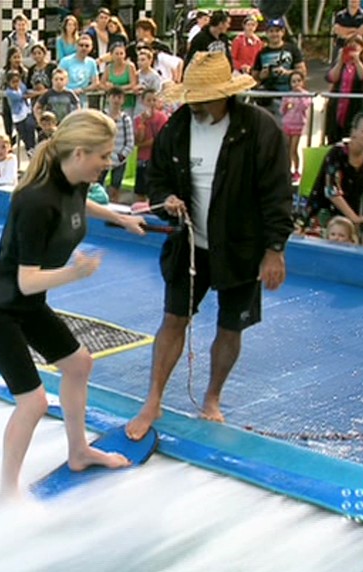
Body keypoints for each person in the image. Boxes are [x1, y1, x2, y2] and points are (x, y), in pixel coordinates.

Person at [0, 109, 148, 498]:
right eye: (104, 155)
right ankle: (7, 493)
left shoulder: (75, 180)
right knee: (33, 402)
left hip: (27, 304)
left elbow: (78, 206)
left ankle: (79, 451)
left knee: (79, 364)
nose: (109, 163)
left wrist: (121, 218)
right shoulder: (36, 201)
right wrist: (75, 273)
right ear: (80, 153)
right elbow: (27, 280)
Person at [124, 52, 292, 441]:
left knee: (231, 325)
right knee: (173, 318)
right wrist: (166, 198)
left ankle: (212, 397)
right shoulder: (178, 126)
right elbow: (157, 177)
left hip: (241, 244)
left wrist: (275, 249)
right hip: (189, 244)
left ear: (224, 95)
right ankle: (153, 399)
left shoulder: (259, 129)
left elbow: (277, 193)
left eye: (201, 99)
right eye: (191, 98)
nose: (194, 105)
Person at [306, 112, 363, 228]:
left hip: (351, 213)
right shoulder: (337, 153)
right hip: (323, 214)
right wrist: (355, 219)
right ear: (353, 132)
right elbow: (332, 192)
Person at [323, 35, 363, 145]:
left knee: (354, 136)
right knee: (334, 138)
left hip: (357, 104)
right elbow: (331, 78)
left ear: (362, 48)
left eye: (356, 46)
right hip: (338, 105)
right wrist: (340, 61)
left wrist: (357, 61)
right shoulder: (340, 63)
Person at [252, 19, 306, 120]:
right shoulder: (261, 53)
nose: (274, 34)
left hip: (289, 96)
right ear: (267, 33)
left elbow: (302, 72)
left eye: (277, 31)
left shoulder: (292, 49)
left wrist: (287, 73)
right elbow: (254, 78)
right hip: (268, 97)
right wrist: (261, 76)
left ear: (283, 32)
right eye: (271, 31)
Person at [100, 86, 135, 202]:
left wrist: (121, 156)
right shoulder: (101, 117)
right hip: (102, 158)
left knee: (115, 189)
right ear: (108, 98)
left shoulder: (126, 119)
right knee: (97, 187)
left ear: (123, 100)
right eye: (113, 97)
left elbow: (130, 142)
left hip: (120, 161)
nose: (116, 100)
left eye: (119, 97)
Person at [133, 89, 169, 198]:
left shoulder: (162, 117)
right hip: (142, 158)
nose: (151, 103)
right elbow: (138, 139)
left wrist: (142, 144)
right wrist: (143, 123)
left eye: (154, 100)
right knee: (140, 191)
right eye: (148, 100)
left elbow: (160, 139)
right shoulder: (138, 119)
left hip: (156, 158)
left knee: (154, 191)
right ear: (143, 102)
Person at [0, 47, 29, 145]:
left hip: (21, 105)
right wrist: (9, 94)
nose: (17, 60)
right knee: (8, 130)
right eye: (15, 57)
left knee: (22, 128)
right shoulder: (3, 72)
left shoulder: (24, 72)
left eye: (19, 57)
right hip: (7, 105)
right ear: (9, 58)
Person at [280, 71, 311, 180]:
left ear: (302, 82)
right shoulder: (287, 95)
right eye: (293, 81)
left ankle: (297, 170)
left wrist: (300, 95)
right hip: (287, 124)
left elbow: (305, 106)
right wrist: (286, 105)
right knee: (286, 148)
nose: (296, 83)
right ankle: (287, 169)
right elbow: (281, 111)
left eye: (298, 81)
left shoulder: (306, 94)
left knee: (293, 149)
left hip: (298, 125)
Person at [59, 35, 100, 108]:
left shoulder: (92, 62)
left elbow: (96, 83)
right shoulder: (65, 61)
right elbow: (58, 79)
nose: (84, 48)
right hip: (65, 98)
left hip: (83, 99)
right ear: (76, 46)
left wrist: (83, 90)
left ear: (91, 48)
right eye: (81, 45)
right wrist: (71, 92)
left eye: (87, 46)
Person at [101, 43, 138, 117]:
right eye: (117, 54)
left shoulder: (130, 66)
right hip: (111, 102)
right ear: (111, 55)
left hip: (127, 102)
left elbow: (133, 84)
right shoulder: (108, 68)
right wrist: (107, 86)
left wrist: (116, 88)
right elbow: (102, 83)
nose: (119, 56)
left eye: (121, 53)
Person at [4, 71, 37, 156]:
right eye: (13, 82)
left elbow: (26, 91)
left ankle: (32, 147)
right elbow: (24, 96)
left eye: (18, 81)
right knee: (23, 133)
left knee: (30, 126)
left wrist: (34, 91)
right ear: (8, 82)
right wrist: (38, 92)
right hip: (18, 116)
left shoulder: (22, 86)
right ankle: (29, 148)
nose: (16, 84)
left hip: (27, 111)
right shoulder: (9, 92)